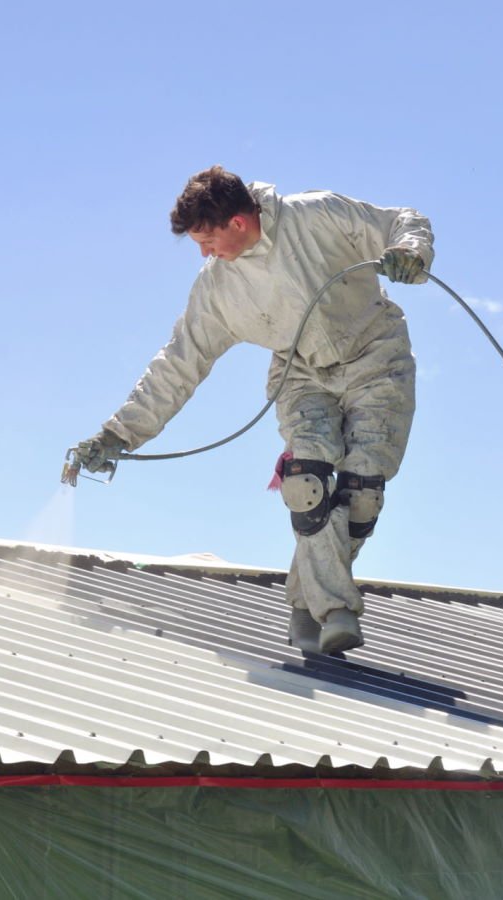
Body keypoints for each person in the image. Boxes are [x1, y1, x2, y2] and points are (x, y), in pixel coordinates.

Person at [74, 166, 433, 655]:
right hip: (301, 372)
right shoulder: (217, 289)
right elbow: (178, 363)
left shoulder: (316, 215)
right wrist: (118, 434)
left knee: (363, 491)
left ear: (238, 223)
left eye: (207, 239)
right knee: (306, 483)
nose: (204, 253)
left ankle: (304, 605)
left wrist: (411, 251)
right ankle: (337, 610)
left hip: (378, 356)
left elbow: (400, 220)